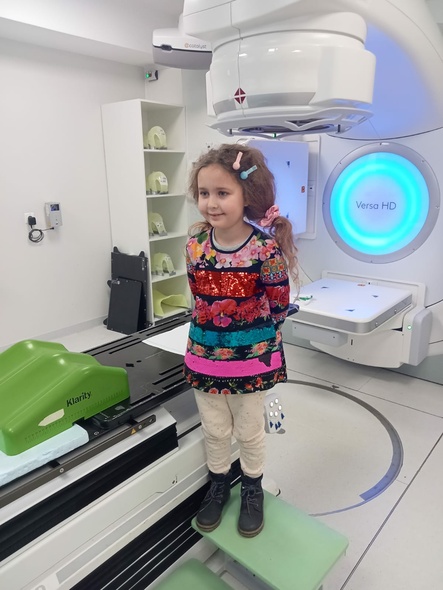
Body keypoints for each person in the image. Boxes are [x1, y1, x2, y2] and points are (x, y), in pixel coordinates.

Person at [184, 143, 299, 538]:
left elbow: (279, 305)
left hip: (250, 361)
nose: (211, 203)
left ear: (246, 195)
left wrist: (250, 338)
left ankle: (252, 488)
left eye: (222, 192)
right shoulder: (195, 246)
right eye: (204, 193)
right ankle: (218, 484)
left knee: (249, 431)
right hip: (204, 356)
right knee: (215, 429)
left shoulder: (264, 249)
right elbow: (198, 299)